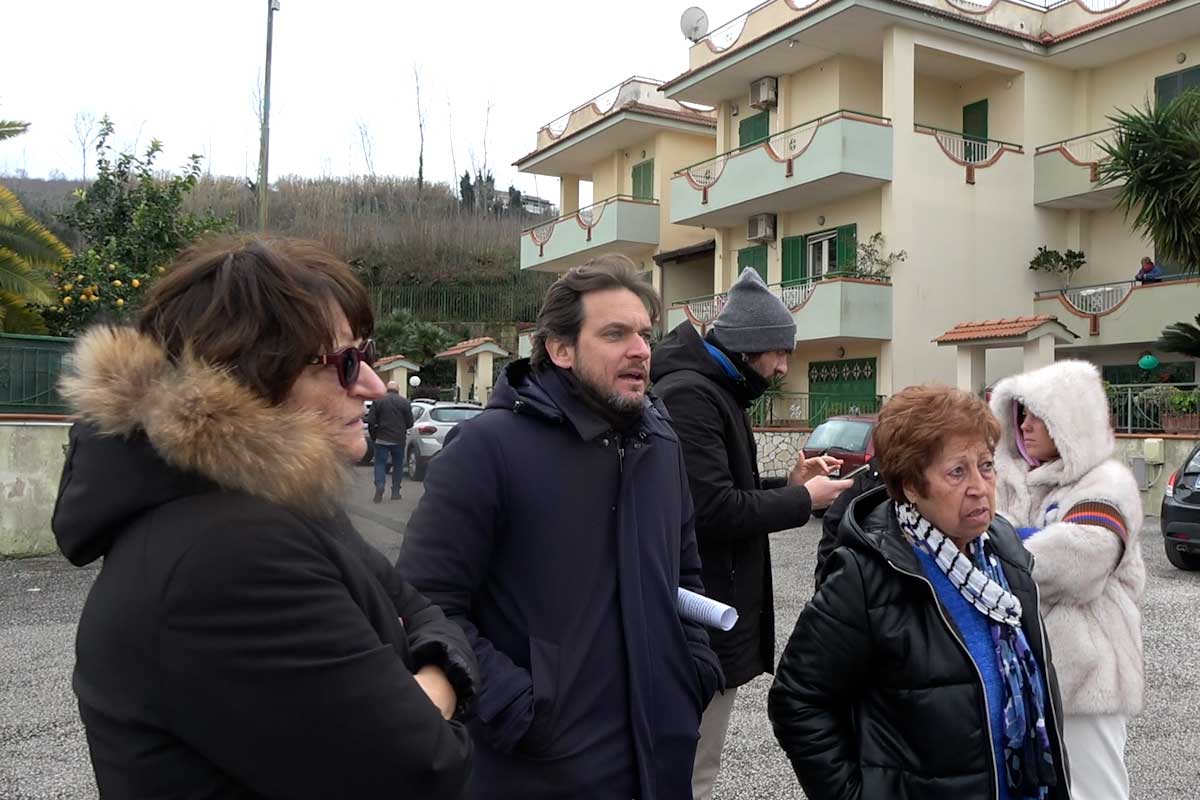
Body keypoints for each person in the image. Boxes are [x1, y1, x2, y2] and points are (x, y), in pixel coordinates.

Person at [51, 237, 477, 799]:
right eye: (345, 361)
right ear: (250, 376)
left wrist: (421, 668)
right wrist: (439, 675)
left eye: (366, 353)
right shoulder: (229, 552)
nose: (372, 384)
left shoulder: (279, 507)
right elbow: (423, 764)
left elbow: (422, 609)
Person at [399, 253, 723, 800]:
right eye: (616, 333)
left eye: (646, 334)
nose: (641, 350)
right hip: (540, 768)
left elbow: (684, 572)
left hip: (659, 757)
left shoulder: (661, 443)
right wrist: (517, 706)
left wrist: (692, 671)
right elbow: (425, 602)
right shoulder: (488, 449)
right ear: (561, 349)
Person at [769, 385, 1071, 800]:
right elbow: (797, 702)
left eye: (985, 466)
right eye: (957, 472)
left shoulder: (1005, 553)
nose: (980, 487)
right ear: (911, 485)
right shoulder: (866, 575)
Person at [650, 266, 851, 800]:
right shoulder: (693, 396)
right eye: (778, 353)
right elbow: (710, 509)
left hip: (711, 614)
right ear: (746, 347)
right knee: (692, 767)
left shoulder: (715, 390)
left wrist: (787, 484)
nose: (783, 366)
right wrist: (802, 501)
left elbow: (721, 486)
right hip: (701, 619)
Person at [990, 360, 1145, 800]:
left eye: (1041, 415)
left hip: (1091, 676)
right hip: (1029, 669)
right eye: (1022, 414)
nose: (1026, 425)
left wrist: (1003, 543)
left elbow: (1079, 556)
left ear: (1072, 420)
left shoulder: (1107, 481)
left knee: (1094, 790)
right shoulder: (1018, 481)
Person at [368, 380, 414, 502]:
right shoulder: (405, 402)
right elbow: (410, 423)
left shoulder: (378, 401)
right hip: (398, 439)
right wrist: (402, 428)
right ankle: (395, 492)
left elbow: (371, 421)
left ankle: (380, 485)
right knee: (398, 465)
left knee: (380, 464)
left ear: (386, 389)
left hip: (381, 438)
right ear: (398, 390)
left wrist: (374, 436)